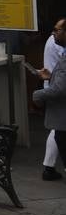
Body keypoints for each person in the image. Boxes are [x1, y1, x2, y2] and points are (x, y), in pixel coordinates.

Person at [40, 17, 66, 181]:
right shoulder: (55, 43)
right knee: (58, 130)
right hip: (55, 90)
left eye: (57, 29)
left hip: (54, 87)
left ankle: (48, 167)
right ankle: (48, 167)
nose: (53, 32)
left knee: (58, 130)